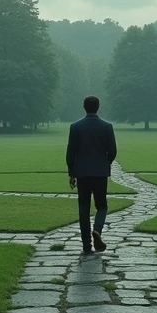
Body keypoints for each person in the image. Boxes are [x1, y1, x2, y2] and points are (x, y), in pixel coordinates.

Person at [65, 95, 117, 254]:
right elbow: (113, 151)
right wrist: (104, 163)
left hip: (82, 174)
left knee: (83, 208)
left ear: (84, 107)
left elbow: (70, 153)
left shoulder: (76, 127)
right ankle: (98, 230)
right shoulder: (107, 127)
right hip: (100, 174)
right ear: (98, 107)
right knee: (102, 206)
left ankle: (86, 245)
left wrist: (72, 172)